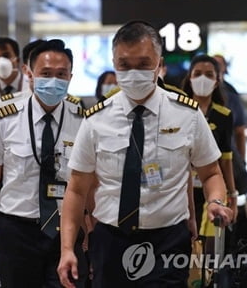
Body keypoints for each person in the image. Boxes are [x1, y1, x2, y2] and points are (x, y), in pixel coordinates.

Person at [58, 21, 233, 287]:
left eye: (143, 64)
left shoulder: (187, 114)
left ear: (159, 63)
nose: (133, 73)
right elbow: (76, 189)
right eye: (124, 65)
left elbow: (211, 173)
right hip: (111, 240)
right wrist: (67, 248)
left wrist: (216, 201)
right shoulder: (96, 119)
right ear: (114, 63)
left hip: (168, 241)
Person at [0, 40, 87, 287]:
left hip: (65, 230)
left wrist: (91, 231)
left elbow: (90, 184)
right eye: (45, 74)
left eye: (61, 74)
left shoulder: (82, 119)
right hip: (17, 232)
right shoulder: (5, 117)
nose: (53, 81)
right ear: (28, 73)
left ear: (71, 76)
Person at [181, 54, 237, 249]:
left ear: (217, 80)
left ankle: (208, 278)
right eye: (197, 73)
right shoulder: (179, 111)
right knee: (185, 243)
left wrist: (232, 195)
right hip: (182, 189)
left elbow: (226, 159)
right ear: (190, 78)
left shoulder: (224, 116)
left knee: (210, 246)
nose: (202, 78)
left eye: (208, 74)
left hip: (212, 188)